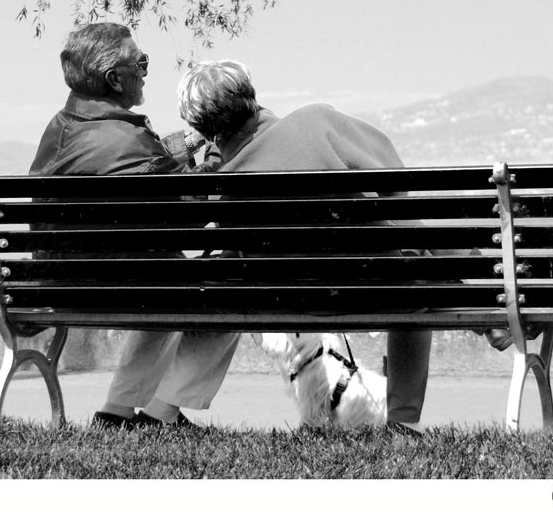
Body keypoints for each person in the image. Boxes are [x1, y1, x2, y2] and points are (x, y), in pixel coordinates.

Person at [175, 59, 433, 435]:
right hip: (380, 291)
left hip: (289, 305)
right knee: (421, 276)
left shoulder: (226, 186)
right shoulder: (316, 122)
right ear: (250, 94)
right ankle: (402, 420)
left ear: (203, 129)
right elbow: (396, 183)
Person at [29, 22, 239, 429]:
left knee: (165, 274)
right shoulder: (127, 141)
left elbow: (141, 171)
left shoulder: (63, 127)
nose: (145, 71)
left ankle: (117, 412)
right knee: (233, 287)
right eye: (140, 62)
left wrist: (179, 148)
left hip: (62, 281)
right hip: (115, 283)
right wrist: (216, 152)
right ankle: (162, 414)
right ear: (114, 78)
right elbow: (192, 211)